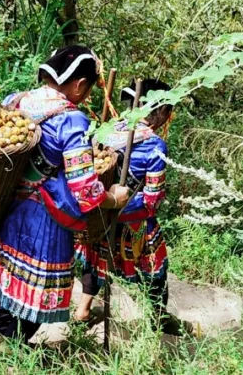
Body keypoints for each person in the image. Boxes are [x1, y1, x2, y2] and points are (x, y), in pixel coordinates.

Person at [0, 45, 131, 341]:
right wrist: (114, 198)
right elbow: (85, 189)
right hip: (43, 219)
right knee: (32, 295)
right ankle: (12, 346)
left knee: (6, 277)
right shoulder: (72, 121)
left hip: (9, 206)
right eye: (87, 90)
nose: (86, 96)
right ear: (79, 84)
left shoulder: (19, 100)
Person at [75, 78, 180, 333]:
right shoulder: (155, 145)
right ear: (162, 112)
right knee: (156, 266)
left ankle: (83, 309)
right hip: (129, 221)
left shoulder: (106, 130)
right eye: (168, 111)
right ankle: (158, 317)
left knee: (95, 260)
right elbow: (152, 199)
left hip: (97, 215)